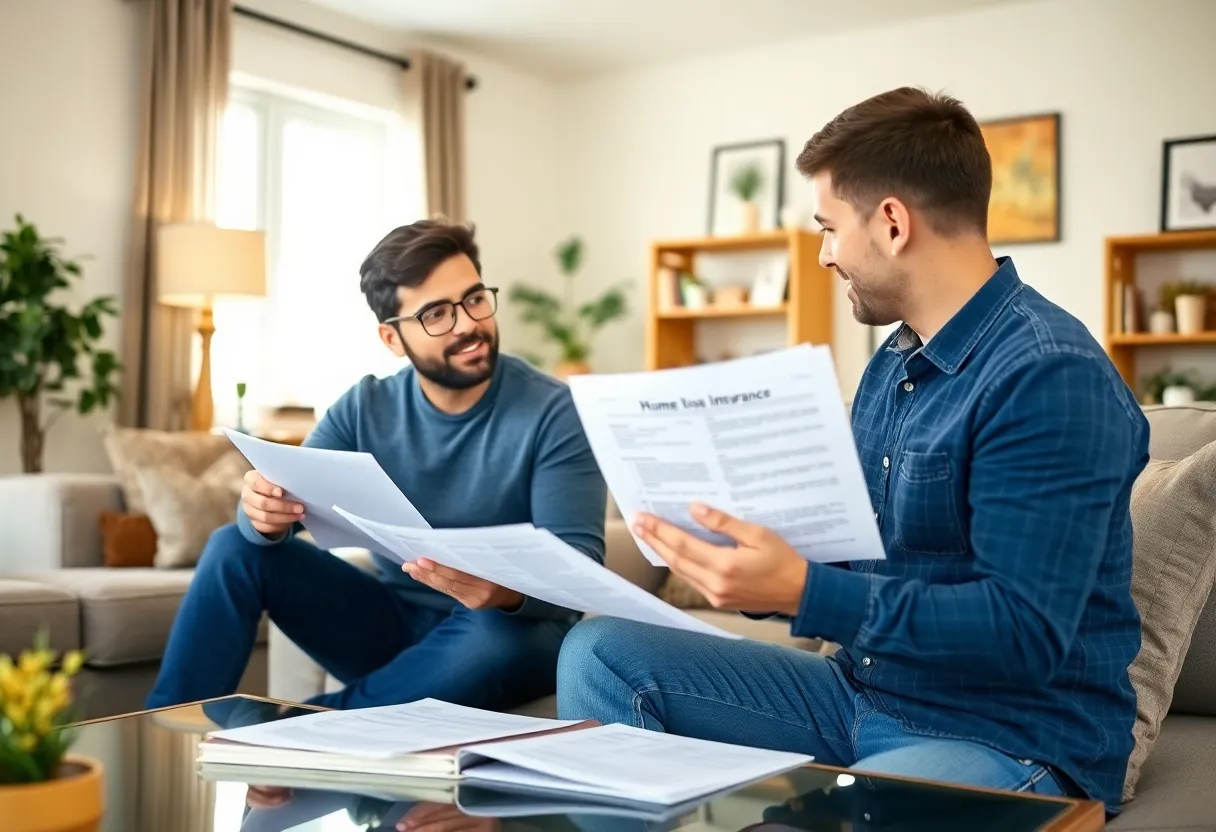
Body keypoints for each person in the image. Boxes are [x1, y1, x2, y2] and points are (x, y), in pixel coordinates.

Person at [555, 87, 1147, 818]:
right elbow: (863, 557)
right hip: (862, 693)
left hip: (1009, 732)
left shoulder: (1048, 375)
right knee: (601, 653)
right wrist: (745, 560)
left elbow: (1022, 633)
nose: (826, 255)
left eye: (829, 227)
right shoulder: (893, 363)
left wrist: (802, 590)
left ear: (893, 222)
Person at [147, 218, 607, 713]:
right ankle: (169, 722)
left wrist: (503, 590)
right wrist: (260, 513)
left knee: (492, 632)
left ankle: (307, 724)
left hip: (510, 634)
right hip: (394, 623)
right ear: (392, 339)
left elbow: (579, 570)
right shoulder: (365, 407)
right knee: (233, 546)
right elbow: (274, 516)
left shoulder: (555, 411)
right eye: (437, 314)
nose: (469, 324)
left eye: (475, 299)